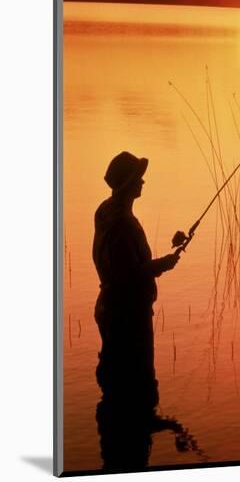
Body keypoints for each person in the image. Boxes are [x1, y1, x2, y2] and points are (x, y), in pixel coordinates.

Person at [92, 151, 180, 406]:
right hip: (127, 315)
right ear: (128, 183)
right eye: (138, 178)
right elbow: (130, 274)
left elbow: (124, 267)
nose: (143, 182)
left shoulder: (105, 211)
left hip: (109, 307)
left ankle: (126, 430)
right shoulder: (122, 224)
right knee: (137, 383)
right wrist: (164, 263)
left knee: (116, 378)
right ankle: (137, 432)